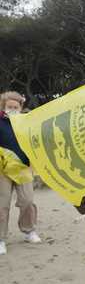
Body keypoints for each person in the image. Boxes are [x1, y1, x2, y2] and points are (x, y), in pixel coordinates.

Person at [0, 91, 41, 255]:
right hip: (2, 169)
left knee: (28, 201)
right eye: (9, 107)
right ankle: (1, 239)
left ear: (20, 107)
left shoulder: (26, 121)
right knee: (2, 206)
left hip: (23, 168)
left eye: (15, 107)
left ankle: (29, 230)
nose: (12, 109)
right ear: (3, 106)